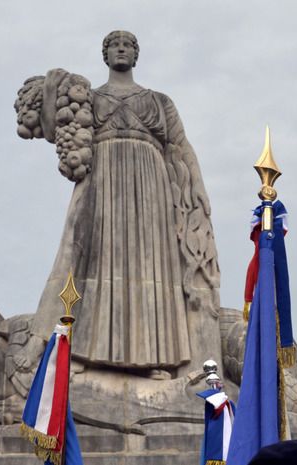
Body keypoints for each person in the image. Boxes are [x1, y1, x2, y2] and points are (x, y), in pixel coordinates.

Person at [27, 31, 220, 377]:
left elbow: (180, 146)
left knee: (151, 269)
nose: (120, 49)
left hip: (151, 188)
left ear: (135, 55)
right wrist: (52, 91)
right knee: (97, 264)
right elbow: (56, 131)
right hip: (102, 183)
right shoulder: (88, 98)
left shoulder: (160, 101)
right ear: (105, 55)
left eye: (127, 45)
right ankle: (84, 351)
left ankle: (155, 359)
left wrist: (199, 186)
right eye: (114, 45)